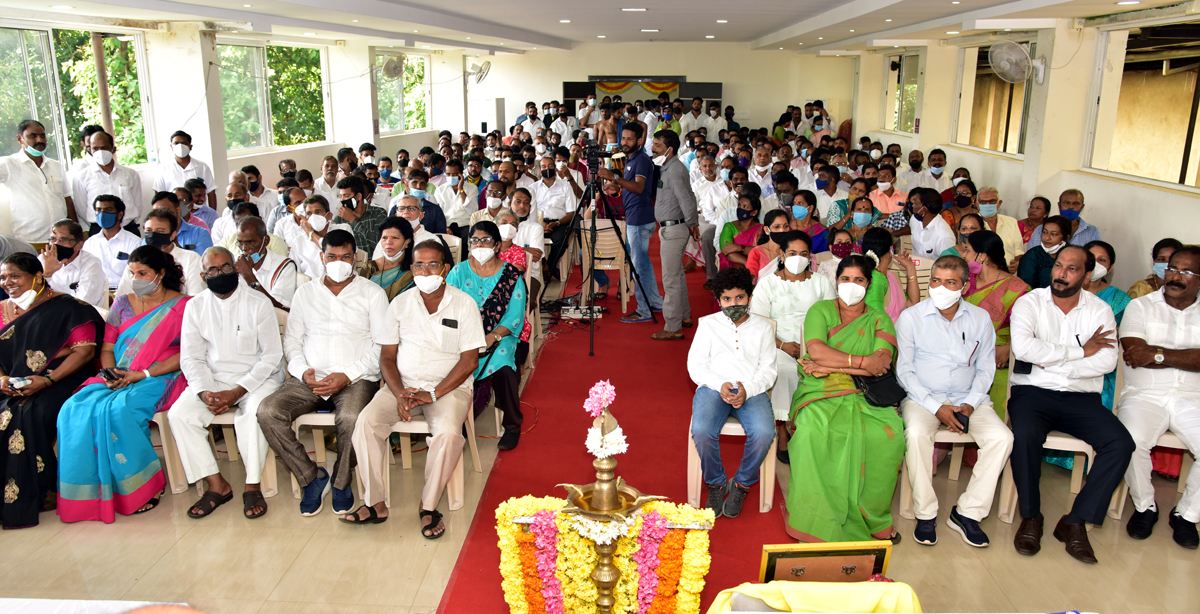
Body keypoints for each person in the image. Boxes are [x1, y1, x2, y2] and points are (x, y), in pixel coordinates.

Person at [345, 237, 485, 535]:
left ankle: (429, 506)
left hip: (448, 389)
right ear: (411, 268)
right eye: (419, 265)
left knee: (447, 434)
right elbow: (387, 356)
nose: (425, 271)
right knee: (365, 423)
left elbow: (469, 361)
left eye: (432, 265)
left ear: (445, 269)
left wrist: (433, 393)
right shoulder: (400, 304)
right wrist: (399, 393)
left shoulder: (464, 304)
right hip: (403, 387)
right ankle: (375, 503)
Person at [1008, 245, 1133, 563]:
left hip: (1081, 397)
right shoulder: (1030, 302)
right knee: (1024, 435)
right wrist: (1080, 352)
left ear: (1087, 275)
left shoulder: (1099, 310)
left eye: (1072, 268)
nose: (1061, 274)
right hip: (1033, 392)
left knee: (1120, 443)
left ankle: (1075, 521)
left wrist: (1052, 361)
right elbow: (1024, 349)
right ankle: (1031, 516)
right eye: (1058, 266)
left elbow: (1106, 361)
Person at [57, 246, 192, 523]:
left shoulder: (185, 306)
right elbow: (107, 348)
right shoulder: (121, 305)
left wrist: (142, 374)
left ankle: (143, 487)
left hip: (162, 375)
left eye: (143, 273)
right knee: (73, 407)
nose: (136, 279)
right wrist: (111, 374)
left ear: (161, 273)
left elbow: (188, 354)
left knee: (121, 410)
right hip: (120, 374)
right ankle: (92, 491)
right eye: (132, 273)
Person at [258, 230, 387, 518]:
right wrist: (303, 371)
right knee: (268, 412)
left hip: (356, 379)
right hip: (310, 378)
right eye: (332, 257)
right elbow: (292, 341)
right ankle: (311, 477)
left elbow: (381, 346)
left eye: (345, 257)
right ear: (322, 257)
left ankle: (341, 482)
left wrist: (347, 375)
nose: (338, 262)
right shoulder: (305, 293)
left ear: (355, 259)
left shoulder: (372, 293)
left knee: (351, 417)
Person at [786, 254, 905, 543]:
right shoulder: (821, 310)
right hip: (821, 389)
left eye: (859, 279)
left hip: (868, 392)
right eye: (845, 279)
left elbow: (882, 364)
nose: (851, 284)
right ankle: (816, 517)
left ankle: (873, 516)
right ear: (836, 281)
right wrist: (855, 363)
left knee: (887, 436)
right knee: (812, 432)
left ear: (869, 284)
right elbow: (817, 352)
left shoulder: (879, 318)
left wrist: (832, 365)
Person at [897, 255, 1011, 547]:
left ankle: (967, 513)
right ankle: (925, 513)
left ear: (964, 286)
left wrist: (970, 404)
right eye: (936, 281)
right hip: (923, 398)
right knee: (916, 433)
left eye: (950, 282)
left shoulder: (980, 319)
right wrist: (936, 408)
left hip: (968, 399)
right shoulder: (911, 317)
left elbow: (985, 369)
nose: (940, 288)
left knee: (1002, 438)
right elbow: (905, 371)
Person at [168, 247, 284, 520]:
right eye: (213, 270)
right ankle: (216, 484)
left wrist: (237, 391)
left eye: (226, 267)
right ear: (203, 276)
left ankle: (252, 485)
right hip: (214, 379)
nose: (220, 273)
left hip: (259, 379)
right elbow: (191, 358)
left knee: (253, 414)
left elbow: (271, 356)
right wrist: (205, 392)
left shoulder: (258, 302)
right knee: (180, 415)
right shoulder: (195, 306)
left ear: (236, 268)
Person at [0, 253, 103, 528]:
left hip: (62, 377)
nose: (7, 282)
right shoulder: (2, 310)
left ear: (37, 276)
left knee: (32, 412)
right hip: (12, 381)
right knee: (8, 409)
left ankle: (42, 489)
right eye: (3, 277)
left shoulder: (70, 307)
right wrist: (3, 379)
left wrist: (46, 381)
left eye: (14, 276)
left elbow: (83, 352)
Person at [1116, 245, 1200, 548]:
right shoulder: (1140, 306)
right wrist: (1187, 357)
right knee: (1131, 439)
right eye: (1172, 268)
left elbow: (1148, 354)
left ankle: (1186, 515)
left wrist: (1157, 354)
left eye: (1187, 272)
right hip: (1144, 395)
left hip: (1193, 397)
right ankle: (1144, 506)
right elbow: (1135, 353)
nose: (1175, 276)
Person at [688, 267, 777, 518]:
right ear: (718, 300)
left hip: (752, 390)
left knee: (764, 433)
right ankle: (716, 483)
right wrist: (720, 384)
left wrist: (748, 389)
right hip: (713, 387)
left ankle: (741, 484)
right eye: (726, 299)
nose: (733, 303)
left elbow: (769, 370)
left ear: (750, 297)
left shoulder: (763, 327)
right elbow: (695, 365)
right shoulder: (708, 325)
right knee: (701, 430)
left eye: (740, 297)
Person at [749, 231, 835, 463]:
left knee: (821, 371)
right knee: (784, 370)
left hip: (815, 344)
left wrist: (814, 347)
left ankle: (809, 427)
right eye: (793, 253)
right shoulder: (768, 284)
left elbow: (831, 320)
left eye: (803, 254)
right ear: (782, 254)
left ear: (810, 256)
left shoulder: (821, 282)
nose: (798, 258)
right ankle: (783, 429)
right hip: (777, 344)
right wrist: (782, 345)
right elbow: (758, 323)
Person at [447, 222, 527, 450]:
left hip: (500, 337)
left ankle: (512, 425)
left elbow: (514, 318)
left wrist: (492, 336)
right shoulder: (458, 272)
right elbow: (448, 309)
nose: (479, 245)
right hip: (463, 338)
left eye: (485, 240)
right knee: (446, 364)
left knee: (504, 369)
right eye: (474, 241)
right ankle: (455, 420)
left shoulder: (511, 276)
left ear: (497, 245)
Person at [595, 123, 663, 324]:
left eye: (630, 139)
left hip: (639, 219)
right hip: (636, 216)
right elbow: (632, 187)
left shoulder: (641, 160)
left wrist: (615, 177)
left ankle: (644, 310)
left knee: (638, 266)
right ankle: (655, 301)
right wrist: (617, 188)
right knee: (644, 264)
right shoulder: (632, 159)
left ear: (640, 140)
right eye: (623, 138)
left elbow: (640, 188)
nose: (624, 142)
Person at [962, 230, 1031, 420]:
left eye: (967, 250)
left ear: (982, 256)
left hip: (997, 357)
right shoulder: (965, 281)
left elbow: (1028, 327)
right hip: (960, 352)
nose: (964, 256)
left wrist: (1009, 347)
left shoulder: (1016, 288)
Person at [0, 120, 75, 241]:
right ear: (20, 139)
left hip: (61, 241)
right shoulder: (9, 164)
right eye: (33, 136)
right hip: (29, 241)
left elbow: (67, 199)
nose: (39, 140)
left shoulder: (56, 166)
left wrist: (75, 234)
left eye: (42, 136)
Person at [114, 209, 205, 297]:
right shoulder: (137, 259)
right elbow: (122, 296)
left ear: (173, 234)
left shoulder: (191, 258)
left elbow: (195, 298)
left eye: (160, 231)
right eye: (149, 231)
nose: (153, 235)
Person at [71, 130, 142, 234]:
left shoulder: (130, 174)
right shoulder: (81, 177)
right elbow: (82, 209)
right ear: (90, 150)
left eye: (104, 148)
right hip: (98, 231)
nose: (100, 152)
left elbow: (138, 205)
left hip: (128, 229)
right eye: (95, 148)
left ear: (113, 149)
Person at [234, 215, 297, 310]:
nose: (244, 248)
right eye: (240, 243)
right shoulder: (235, 264)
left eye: (250, 243)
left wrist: (249, 276)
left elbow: (279, 309)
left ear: (266, 241)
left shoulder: (285, 266)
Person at [39, 219, 107, 307]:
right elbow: (31, 297)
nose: (56, 244)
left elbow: (84, 303)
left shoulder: (91, 264)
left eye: (63, 240)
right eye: (53, 239)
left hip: (79, 314)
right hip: (48, 311)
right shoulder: (43, 259)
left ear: (78, 245)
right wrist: (47, 275)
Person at [531, 157, 578, 279]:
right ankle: (545, 264)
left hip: (559, 222)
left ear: (555, 169)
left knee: (561, 240)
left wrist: (557, 223)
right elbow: (530, 211)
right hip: (538, 222)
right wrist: (540, 223)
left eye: (550, 166)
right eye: (544, 167)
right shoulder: (533, 188)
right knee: (531, 239)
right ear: (540, 171)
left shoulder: (565, 186)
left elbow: (571, 212)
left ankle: (548, 267)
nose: (547, 169)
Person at [82, 195, 142, 289]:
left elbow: (139, 275)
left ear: (119, 214)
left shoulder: (135, 243)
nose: (102, 214)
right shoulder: (89, 244)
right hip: (97, 292)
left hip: (125, 291)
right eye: (98, 210)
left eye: (108, 210)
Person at [862, 227, 920, 323]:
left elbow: (912, 305)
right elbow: (876, 322)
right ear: (891, 249)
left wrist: (910, 269)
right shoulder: (875, 280)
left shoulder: (888, 276)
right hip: (887, 331)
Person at [153, 130, 217, 212]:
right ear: (171, 146)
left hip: (199, 212)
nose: (180, 146)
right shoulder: (163, 168)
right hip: (174, 213)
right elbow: (159, 195)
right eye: (176, 143)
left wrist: (212, 214)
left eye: (184, 143)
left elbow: (211, 192)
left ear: (190, 146)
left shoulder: (202, 167)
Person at [360, 217, 415, 300]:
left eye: (395, 238)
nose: (388, 242)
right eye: (384, 238)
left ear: (407, 241)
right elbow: (360, 298)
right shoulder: (370, 267)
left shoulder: (414, 269)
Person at [332, 175, 387, 256]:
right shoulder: (339, 220)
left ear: (358, 196)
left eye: (346, 196)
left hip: (375, 262)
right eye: (341, 196)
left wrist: (353, 220)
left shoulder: (378, 213)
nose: (342, 200)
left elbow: (380, 244)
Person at [1028, 189, 1101, 247]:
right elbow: (1032, 255)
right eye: (1067, 203)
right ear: (1059, 205)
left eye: (1076, 203)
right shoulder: (1042, 229)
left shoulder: (1091, 231)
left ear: (1082, 207)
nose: (1071, 207)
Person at [976, 186, 1026, 268]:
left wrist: (1015, 264)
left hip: (1009, 272)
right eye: (983, 202)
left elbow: (1019, 252)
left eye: (992, 201)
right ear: (977, 204)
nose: (988, 205)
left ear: (999, 203)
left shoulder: (1011, 222)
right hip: (982, 272)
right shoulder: (972, 224)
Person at [1017, 215, 1071, 289]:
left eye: (1054, 234)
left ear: (1066, 238)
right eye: (1045, 232)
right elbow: (1025, 287)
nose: (1047, 238)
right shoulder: (1032, 256)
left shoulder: (1073, 256)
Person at [151, 191, 213, 255]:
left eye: (164, 211)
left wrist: (177, 249)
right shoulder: (150, 236)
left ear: (178, 210)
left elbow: (202, 260)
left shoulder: (200, 234)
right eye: (156, 212)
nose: (160, 216)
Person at [720, 193, 764, 270]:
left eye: (745, 206)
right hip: (732, 269)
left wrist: (738, 248)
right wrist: (747, 263)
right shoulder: (729, 226)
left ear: (754, 212)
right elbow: (726, 250)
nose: (740, 208)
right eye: (739, 205)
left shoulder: (761, 229)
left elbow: (762, 251)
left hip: (758, 266)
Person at [746, 210, 790, 282]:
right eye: (777, 227)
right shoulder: (756, 253)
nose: (782, 230)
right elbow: (751, 282)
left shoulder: (792, 251)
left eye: (785, 226)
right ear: (767, 230)